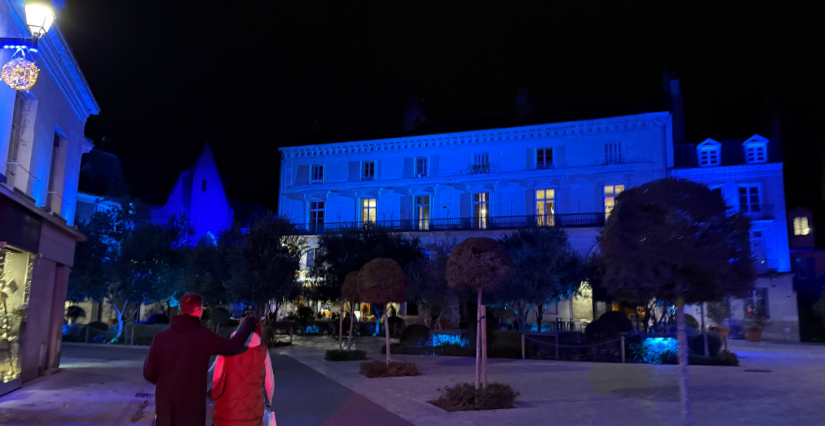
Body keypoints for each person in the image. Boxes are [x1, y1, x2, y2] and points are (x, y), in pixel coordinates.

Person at [143, 293, 260, 426]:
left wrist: (166, 383)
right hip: (191, 406)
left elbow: (148, 372)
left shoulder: (161, 336)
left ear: (181, 309)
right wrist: (247, 325)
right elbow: (231, 347)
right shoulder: (203, 336)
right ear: (197, 310)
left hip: (166, 405)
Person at [210, 328, 275, 426]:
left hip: (227, 413)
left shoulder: (226, 348)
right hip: (253, 412)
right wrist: (268, 402)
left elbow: (216, 377)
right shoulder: (263, 351)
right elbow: (269, 383)